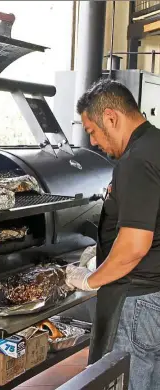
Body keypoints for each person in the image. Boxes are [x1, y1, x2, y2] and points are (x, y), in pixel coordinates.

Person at [66, 78, 160, 390]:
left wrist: (89, 280)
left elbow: (134, 246)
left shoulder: (135, 160)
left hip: (139, 301)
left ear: (111, 117)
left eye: (91, 131)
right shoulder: (156, 144)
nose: (93, 142)